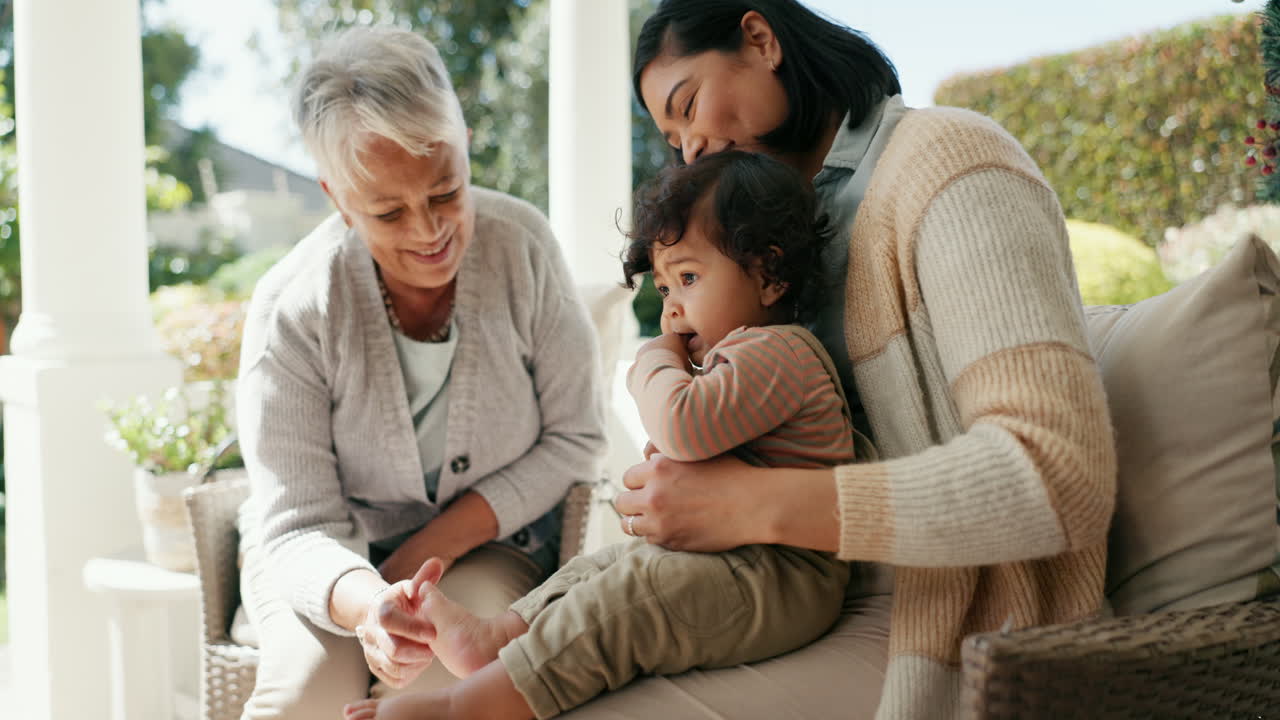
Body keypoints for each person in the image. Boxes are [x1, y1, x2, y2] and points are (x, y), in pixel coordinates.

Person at [343, 149, 874, 720]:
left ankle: (467, 708)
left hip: (785, 578)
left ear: (769, 276)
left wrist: (653, 358)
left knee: (635, 594)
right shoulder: (739, 359)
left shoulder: (779, 351)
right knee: (597, 569)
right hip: (744, 561)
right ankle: (497, 638)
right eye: (664, 290)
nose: (672, 312)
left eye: (688, 279)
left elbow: (681, 427)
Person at [234, 26, 606, 719]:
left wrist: (428, 551)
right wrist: (370, 603)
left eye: (445, 193)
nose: (427, 231)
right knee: (302, 699)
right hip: (320, 555)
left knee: (442, 689)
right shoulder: (294, 305)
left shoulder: (524, 247)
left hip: (492, 549)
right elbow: (298, 524)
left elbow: (576, 439)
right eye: (387, 212)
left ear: (465, 145)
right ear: (338, 199)